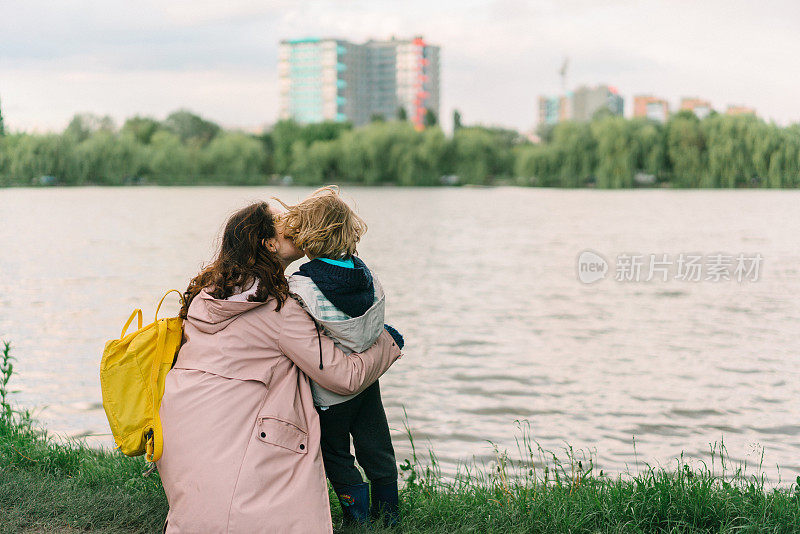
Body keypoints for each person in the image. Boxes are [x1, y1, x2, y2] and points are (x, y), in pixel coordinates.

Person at [155, 201, 402, 533]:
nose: (295, 224)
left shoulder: (211, 293)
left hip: (185, 437)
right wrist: (389, 341)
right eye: (284, 222)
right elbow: (344, 377)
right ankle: (373, 519)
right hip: (229, 449)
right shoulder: (279, 309)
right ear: (270, 244)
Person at [277, 186, 402, 526]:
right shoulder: (366, 277)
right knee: (377, 445)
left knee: (336, 454)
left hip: (330, 393)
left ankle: (357, 518)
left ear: (310, 235)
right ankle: (388, 516)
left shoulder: (300, 286)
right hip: (367, 381)